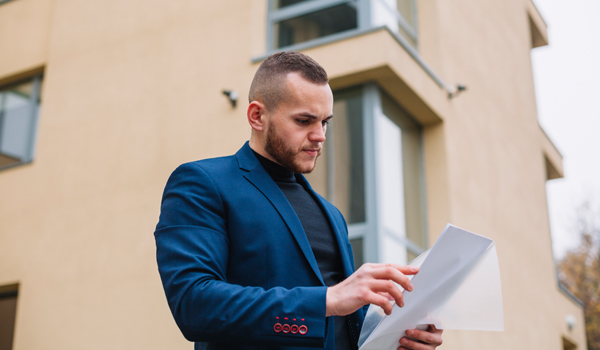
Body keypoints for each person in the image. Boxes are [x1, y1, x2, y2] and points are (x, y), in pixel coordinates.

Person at [154, 51, 443, 350]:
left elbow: (340, 328)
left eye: (325, 122)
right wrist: (328, 300)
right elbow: (193, 304)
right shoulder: (203, 182)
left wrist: (399, 338)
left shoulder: (332, 215)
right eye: (304, 120)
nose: (319, 136)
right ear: (257, 116)